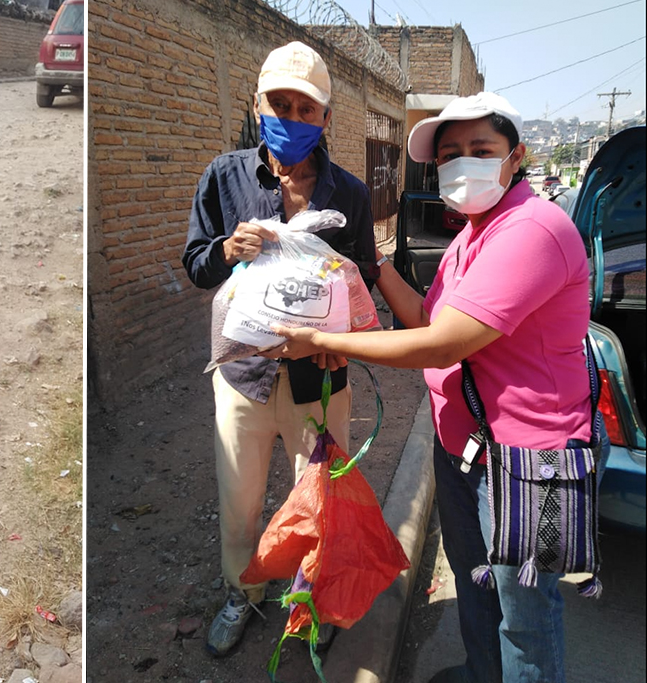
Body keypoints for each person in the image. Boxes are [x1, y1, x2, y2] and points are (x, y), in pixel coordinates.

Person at [264, 92, 603, 683]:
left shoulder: (534, 228)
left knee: (525, 614)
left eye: (481, 150)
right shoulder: (474, 234)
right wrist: (371, 266)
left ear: (514, 156)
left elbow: (442, 343)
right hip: (467, 452)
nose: (463, 164)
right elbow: (424, 315)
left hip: (532, 461)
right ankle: (481, 672)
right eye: (450, 156)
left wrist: (324, 343)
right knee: (477, 585)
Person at [181, 41, 379, 657]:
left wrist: (336, 342)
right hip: (242, 377)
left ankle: (310, 603)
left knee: (319, 501)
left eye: (305, 108)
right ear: (258, 102)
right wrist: (226, 251)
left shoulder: (349, 193)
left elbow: (363, 276)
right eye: (279, 103)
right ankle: (243, 595)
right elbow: (195, 265)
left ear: (324, 118)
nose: (290, 118)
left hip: (318, 382)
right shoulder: (225, 176)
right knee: (239, 503)